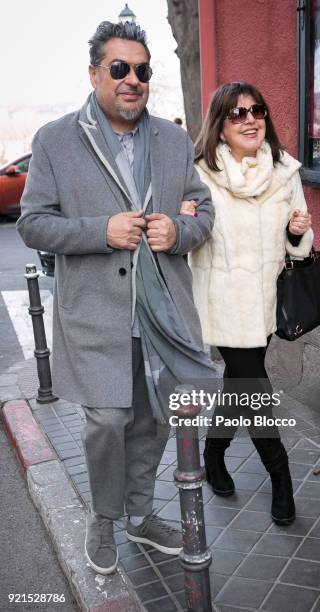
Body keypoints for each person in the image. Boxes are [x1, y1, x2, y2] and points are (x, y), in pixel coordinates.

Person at [17, 20, 214, 575]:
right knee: (107, 422)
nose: (133, 80)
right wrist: (100, 231)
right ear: (94, 73)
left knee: (154, 419)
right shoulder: (55, 139)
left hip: (161, 316)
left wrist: (180, 231)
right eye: (120, 69)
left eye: (142, 70)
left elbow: (204, 212)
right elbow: (33, 224)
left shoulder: (174, 140)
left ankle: (140, 515)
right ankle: (103, 519)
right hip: (96, 318)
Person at [189, 82, 314, 525]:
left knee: (239, 387)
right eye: (237, 113)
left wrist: (298, 232)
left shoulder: (285, 171)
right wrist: (184, 223)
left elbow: (299, 245)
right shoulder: (200, 173)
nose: (249, 120)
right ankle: (281, 477)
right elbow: (187, 239)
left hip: (265, 303)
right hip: (222, 303)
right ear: (220, 127)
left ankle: (213, 450)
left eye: (256, 111)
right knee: (253, 388)